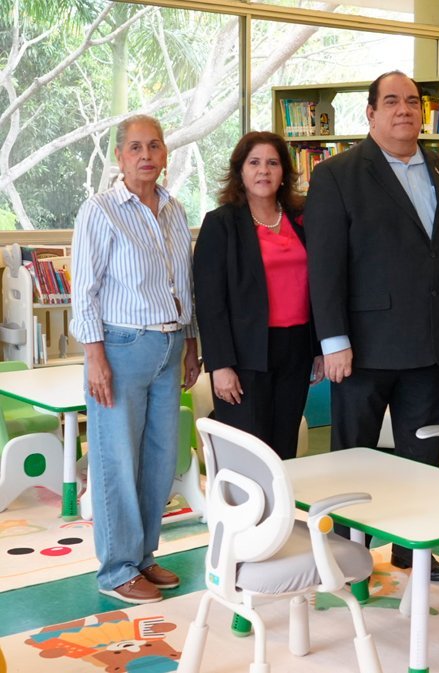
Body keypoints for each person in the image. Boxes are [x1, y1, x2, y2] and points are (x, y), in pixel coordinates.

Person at [304, 71, 439, 581]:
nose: (404, 109)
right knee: (354, 456)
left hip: (430, 344)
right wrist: (333, 340)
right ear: (371, 113)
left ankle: (414, 551)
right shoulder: (337, 174)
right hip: (363, 347)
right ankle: (346, 554)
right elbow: (326, 265)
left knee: (422, 452)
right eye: (392, 102)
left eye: (412, 101)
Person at [70, 115, 201, 604]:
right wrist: (94, 357)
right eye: (135, 148)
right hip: (121, 349)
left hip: (169, 348)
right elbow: (84, 291)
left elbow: (182, 284)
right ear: (120, 157)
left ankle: (143, 556)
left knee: (159, 462)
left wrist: (191, 342)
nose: (146, 155)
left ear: (165, 153)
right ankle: (116, 569)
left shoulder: (172, 208)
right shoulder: (100, 211)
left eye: (155, 146)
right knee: (116, 462)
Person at [193, 131, 322, 460]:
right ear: (240, 171)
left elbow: (320, 285)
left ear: (284, 173)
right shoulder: (221, 224)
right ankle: (243, 512)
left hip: (296, 349)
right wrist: (220, 365)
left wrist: (321, 347)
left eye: (272, 163)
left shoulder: (303, 219)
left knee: (284, 447)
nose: (263, 171)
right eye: (254, 163)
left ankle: (281, 512)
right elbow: (210, 301)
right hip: (245, 354)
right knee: (248, 449)